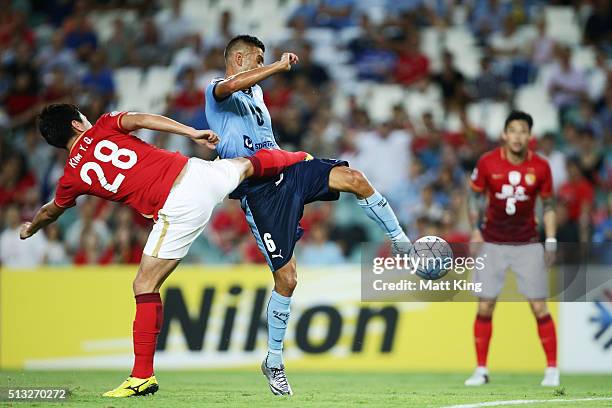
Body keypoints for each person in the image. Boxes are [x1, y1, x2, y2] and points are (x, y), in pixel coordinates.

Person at [19, 103, 310, 398]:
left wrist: (31, 227)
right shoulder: (106, 125)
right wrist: (191, 132)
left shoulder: (72, 177)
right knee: (247, 165)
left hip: (178, 204)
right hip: (196, 172)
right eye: (84, 117)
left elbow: (50, 211)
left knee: (144, 284)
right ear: (77, 125)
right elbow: (144, 119)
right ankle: (302, 159)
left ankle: (141, 376)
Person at [204, 35, 411, 396]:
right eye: (256, 58)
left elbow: (264, 141)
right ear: (238, 57)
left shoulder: (257, 97)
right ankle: (274, 360)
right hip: (260, 193)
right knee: (287, 280)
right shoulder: (217, 89)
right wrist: (279, 66)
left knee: (355, 179)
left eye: (263, 59)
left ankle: (403, 244)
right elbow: (234, 84)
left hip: (286, 172)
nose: (260, 64)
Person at [465, 111, 559, 387]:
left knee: (539, 306)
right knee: (485, 305)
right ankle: (481, 370)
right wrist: (475, 230)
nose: (518, 136)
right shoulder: (487, 162)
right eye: (513, 130)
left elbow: (549, 205)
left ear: (530, 136)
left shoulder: (541, 167)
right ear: (504, 134)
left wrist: (550, 240)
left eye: (523, 131)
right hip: (492, 242)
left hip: (527, 243)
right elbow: (473, 196)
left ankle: (552, 370)